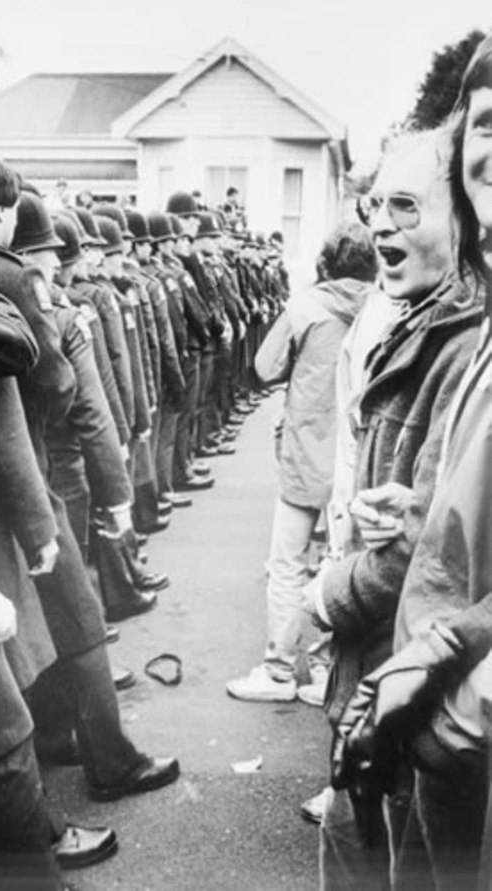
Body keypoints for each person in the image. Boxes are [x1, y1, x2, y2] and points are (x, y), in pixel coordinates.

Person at [0, 152, 180, 801]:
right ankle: (112, 758)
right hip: (26, 471)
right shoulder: (13, 276)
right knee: (78, 618)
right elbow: (55, 381)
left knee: (29, 621)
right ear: (1, 213)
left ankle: (56, 735)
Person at [313, 128, 482, 890]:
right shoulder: (418, 318)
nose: (379, 223)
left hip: (408, 680)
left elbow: (426, 545)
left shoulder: (463, 343)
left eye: (406, 206)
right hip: (387, 670)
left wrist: (322, 596)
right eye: (376, 205)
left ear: (464, 216)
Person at [226, 222, 380, 706]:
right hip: (357, 456)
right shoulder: (384, 309)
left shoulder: (305, 306)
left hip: (305, 453)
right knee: (334, 564)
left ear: (325, 262)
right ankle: (321, 666)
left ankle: (277, 668)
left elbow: (265, 367)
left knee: (286, 563)